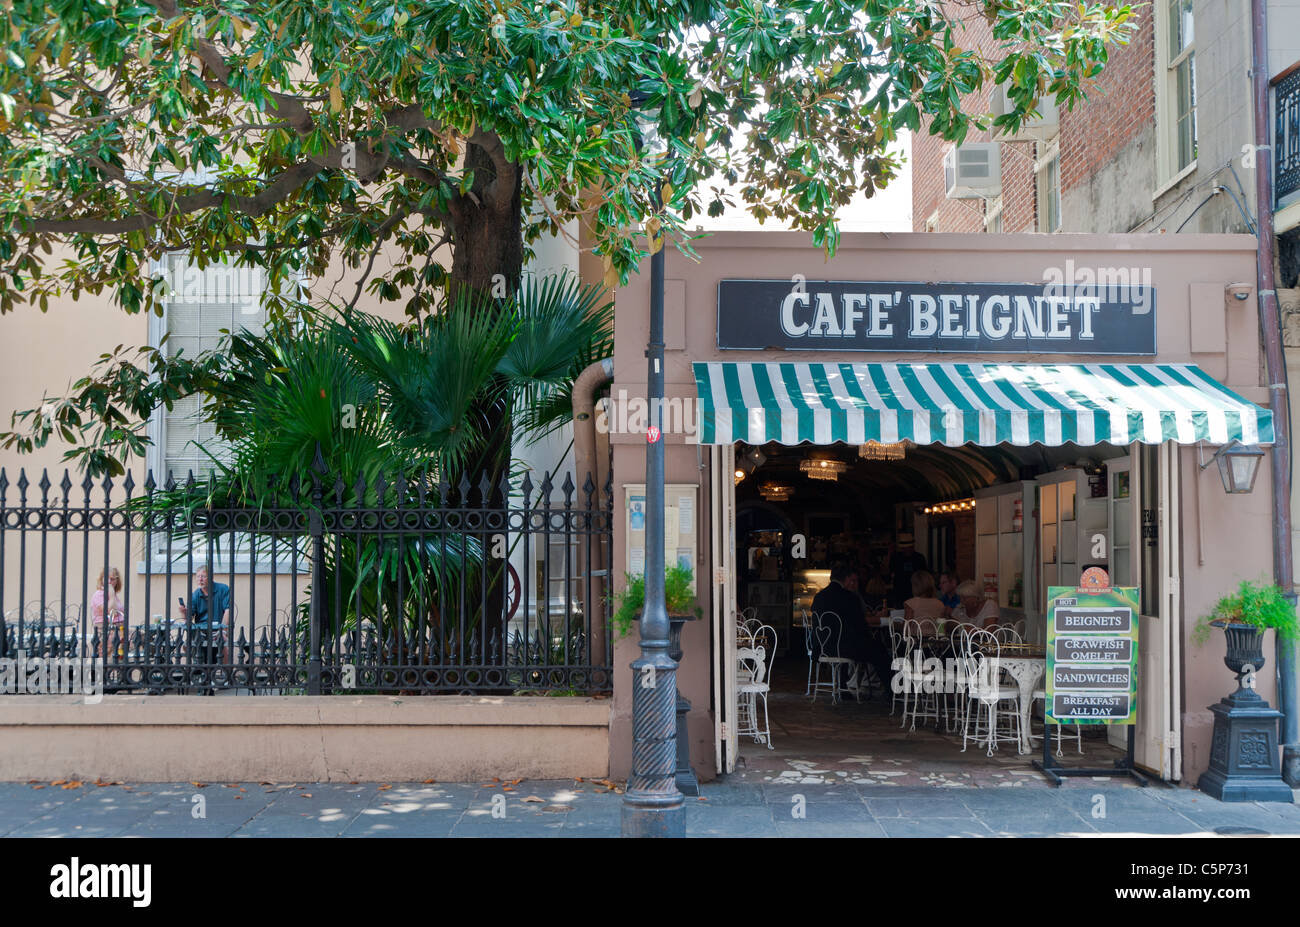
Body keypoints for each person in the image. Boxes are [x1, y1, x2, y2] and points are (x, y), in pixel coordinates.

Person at [811, 564, 894, 697]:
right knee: (879, 650)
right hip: (844, 648)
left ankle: (843, 686)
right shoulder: (849, 597)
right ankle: (891, 690)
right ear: (846, 579)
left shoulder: (819, 597)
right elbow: (860, 625)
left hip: (822, 647)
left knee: (847, 641)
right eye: (853, 580)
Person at [178, 566, 231, 664]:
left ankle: (225, 674)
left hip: (218, 629)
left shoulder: (223, 589)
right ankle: (201, 669)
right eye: (198, 577)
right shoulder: (195, 595)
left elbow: (228, 610)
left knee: (223, 644)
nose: (200, 579)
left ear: (211, 577)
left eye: (203, 576)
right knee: (186, 645)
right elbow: (189, 619)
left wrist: (223, 630)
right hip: (201, 631)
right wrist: (184, 613)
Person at [888, 533, 928, 609]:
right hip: (900, 593)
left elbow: (924, 575)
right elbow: (890, 573)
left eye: (909, 547)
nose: (907, 549)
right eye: (905, 548)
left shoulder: (919, 558)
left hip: (916, 593)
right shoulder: (896, 558)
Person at [92, 567, 125, 659]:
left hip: (119, 629)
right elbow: (112, 612)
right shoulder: (99, 594)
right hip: (106, 630)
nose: (109, 582)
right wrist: (111, 594)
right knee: (105, 659)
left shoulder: (114, 595)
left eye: (112, 579)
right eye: (107, 578)